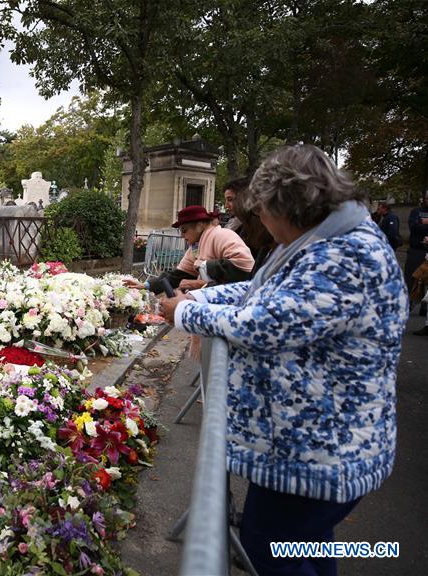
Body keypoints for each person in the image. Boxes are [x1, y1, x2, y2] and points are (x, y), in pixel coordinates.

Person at [159, 144, 407, 576]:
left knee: (270, 545)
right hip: (310, 444)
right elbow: (261, 291)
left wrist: (184, 311)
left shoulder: (346, 254)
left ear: (288, 206)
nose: (263, 225)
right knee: (308, 546)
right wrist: (199, 295)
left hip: (321, 450)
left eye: (264, 213)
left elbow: (268, 323)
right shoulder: (321, 240)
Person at [129, 205, 254, 294]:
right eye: (180, 231)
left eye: (184, 230)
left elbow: (245, 268)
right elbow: (177, 276)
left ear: (200, 225)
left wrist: (206, 272)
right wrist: (146, 285)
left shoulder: (222, 235)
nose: (182, 235)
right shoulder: (195, 247)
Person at [404, 190, 428, 295]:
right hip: (417, 250)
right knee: (411, 278)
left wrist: (425, 223)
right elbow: (414, 227)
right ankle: (407, 304)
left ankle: (424, 308)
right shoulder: (416, 211)